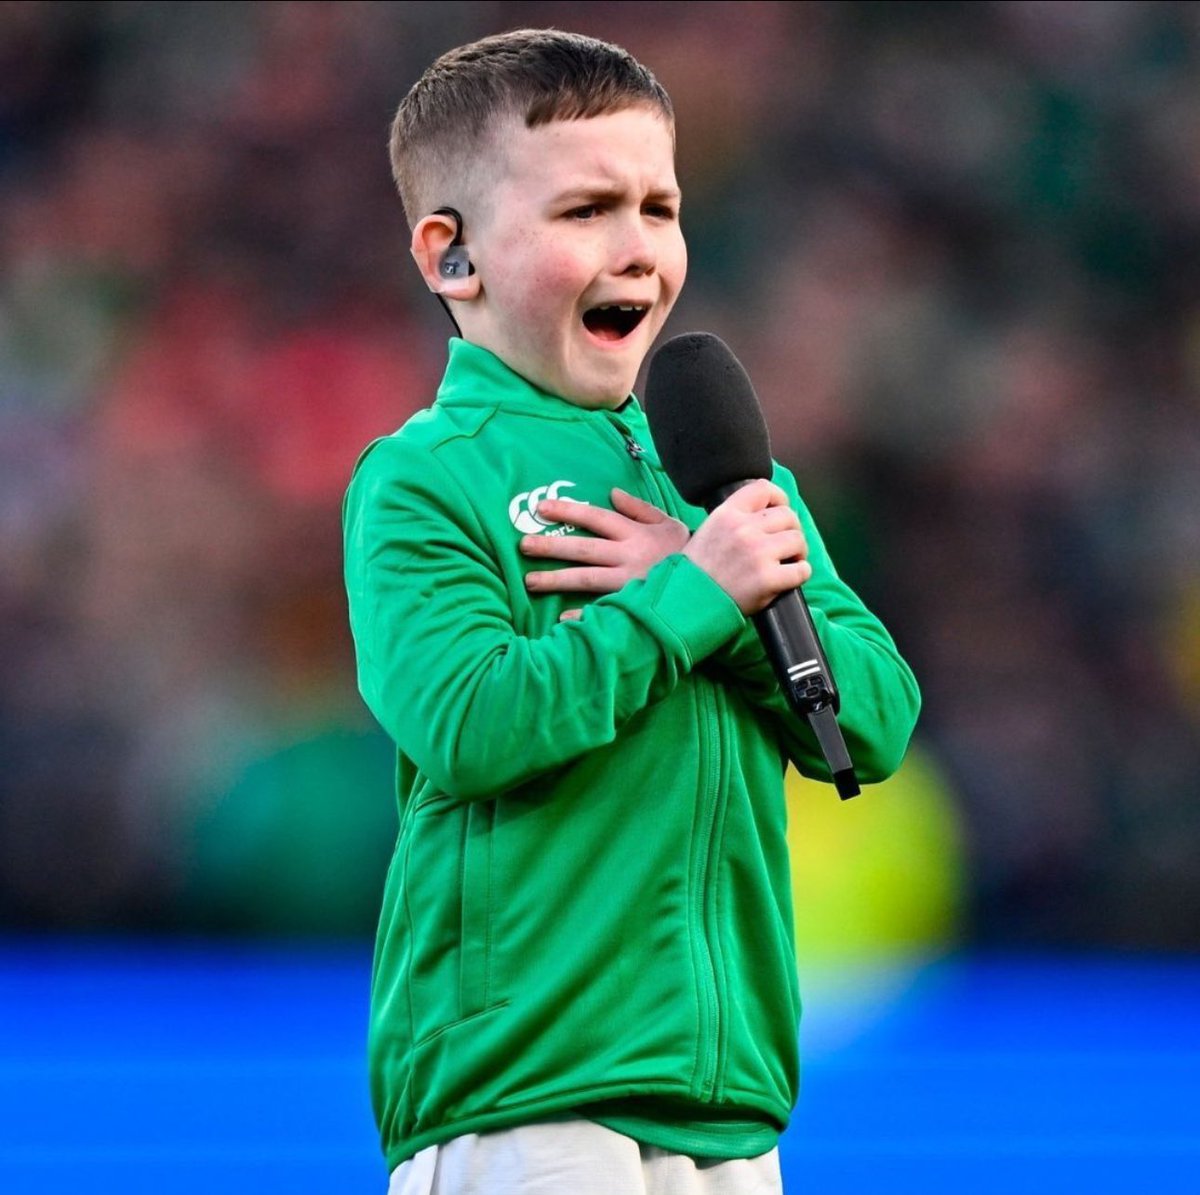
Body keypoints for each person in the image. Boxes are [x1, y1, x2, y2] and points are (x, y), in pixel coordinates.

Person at [342, 28, 920, 1195]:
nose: (639, 248)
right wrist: (689, 598)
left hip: (732, 1106)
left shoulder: (721, 475)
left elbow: (876, 719)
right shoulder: (423, 478)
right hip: (527, 1094)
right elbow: (469, 724)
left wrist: (719, 594)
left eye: (659, 207)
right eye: (586, 211)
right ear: (452, 258)